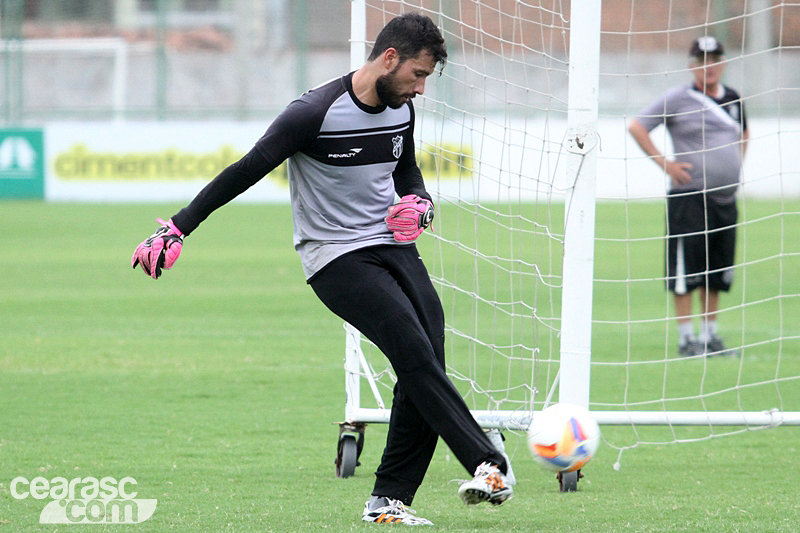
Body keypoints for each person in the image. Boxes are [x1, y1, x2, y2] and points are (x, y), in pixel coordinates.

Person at [131, 12, 512, 526]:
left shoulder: (402, 108)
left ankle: (388, 502)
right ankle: (488, 462)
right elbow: (245, 170)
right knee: (410, 345)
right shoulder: (312, 112)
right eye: (418, 75)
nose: (421, 88)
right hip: (334, 256)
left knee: (426, 360)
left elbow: (408, 172)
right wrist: (178, 227)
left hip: (392, 245)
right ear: (390, 58)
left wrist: (421, 203)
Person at [628, 36, 749, 357]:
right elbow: (637, 126)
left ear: (723, 62)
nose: (708, 66)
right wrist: (665, 164)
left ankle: (710, 337)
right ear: (692, 65)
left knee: (716, 269)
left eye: (714, 59)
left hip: (725, 198)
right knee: (687, 268)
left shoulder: (734, 99)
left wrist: (735, 165)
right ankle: (686, 339)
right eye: (701, 61)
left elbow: (744, 133)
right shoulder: (679, 98)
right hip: (689, 197)